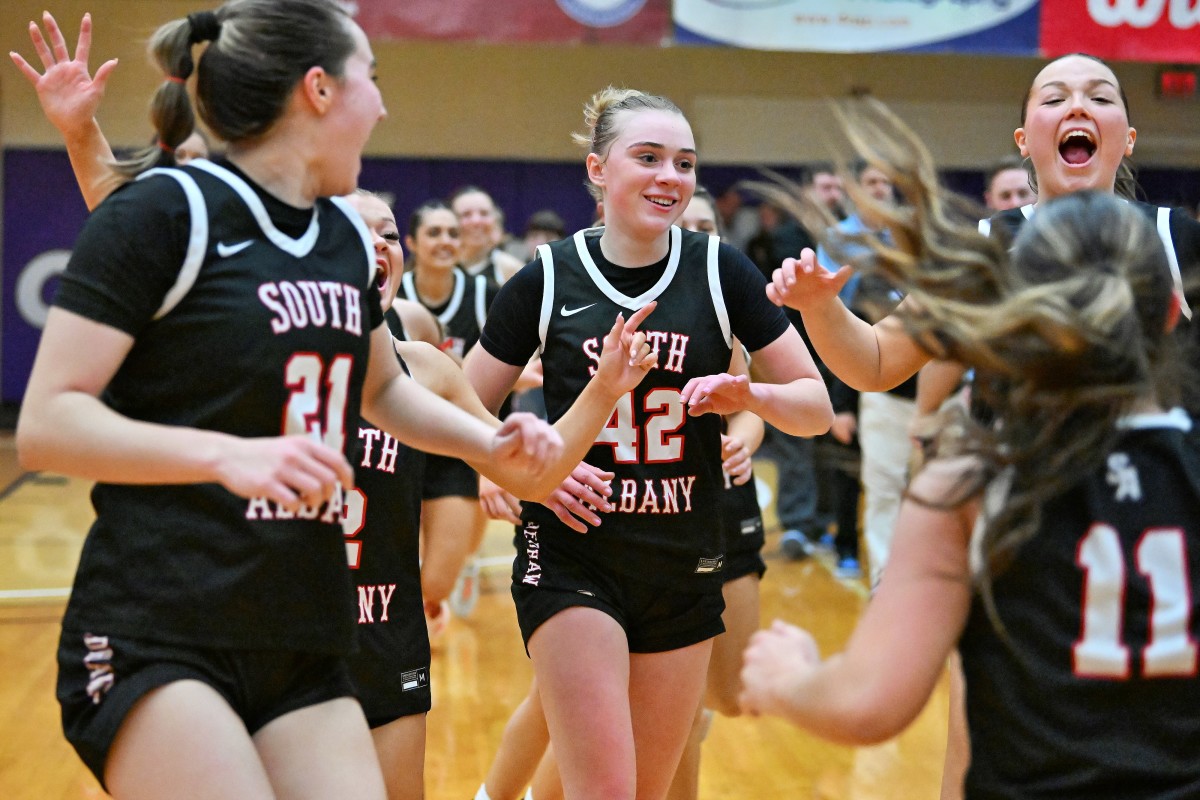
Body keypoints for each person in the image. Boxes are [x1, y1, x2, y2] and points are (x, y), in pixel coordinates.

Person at [10, 5, 648, 795]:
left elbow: (382, 389)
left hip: (305, 634)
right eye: (370, 80)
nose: (381, 105)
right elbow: (46, 423)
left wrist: (488, 445)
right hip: (162, 629)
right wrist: (227, 453)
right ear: (318, 89)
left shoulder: (344, 242)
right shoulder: (166, 212)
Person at [740, 127, 1200, 794]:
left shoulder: (970, 482)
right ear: (1169, 317)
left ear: (1009, 316)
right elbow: (874, 359)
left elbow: (867, 704)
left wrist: (791, 678)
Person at [463, 86, 831, 800]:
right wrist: (523, 471)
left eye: (685, 163)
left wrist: (749, 396)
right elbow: (460, 404)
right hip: (573, 555)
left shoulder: (721, 270)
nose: (670, 176)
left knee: (649, 790)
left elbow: (814, 408)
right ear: (599, 171)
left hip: (685, 559)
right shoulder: (546, 277)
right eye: (649, 157)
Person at [767, 54, 1199, 397]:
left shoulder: (1174, 237)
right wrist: (820, 308)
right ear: (1023, 141)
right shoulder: (989, 244)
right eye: (1054, 99)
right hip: (1020, 487)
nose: (1078, 108)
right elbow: (876, 363)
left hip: (1154, 496)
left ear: (1128, 140)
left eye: (1101, 99)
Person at [451, 185, 525, 285]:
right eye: (466, 214)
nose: (476, 221)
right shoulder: (436, 266)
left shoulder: (513, 271)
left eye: (484, 213)